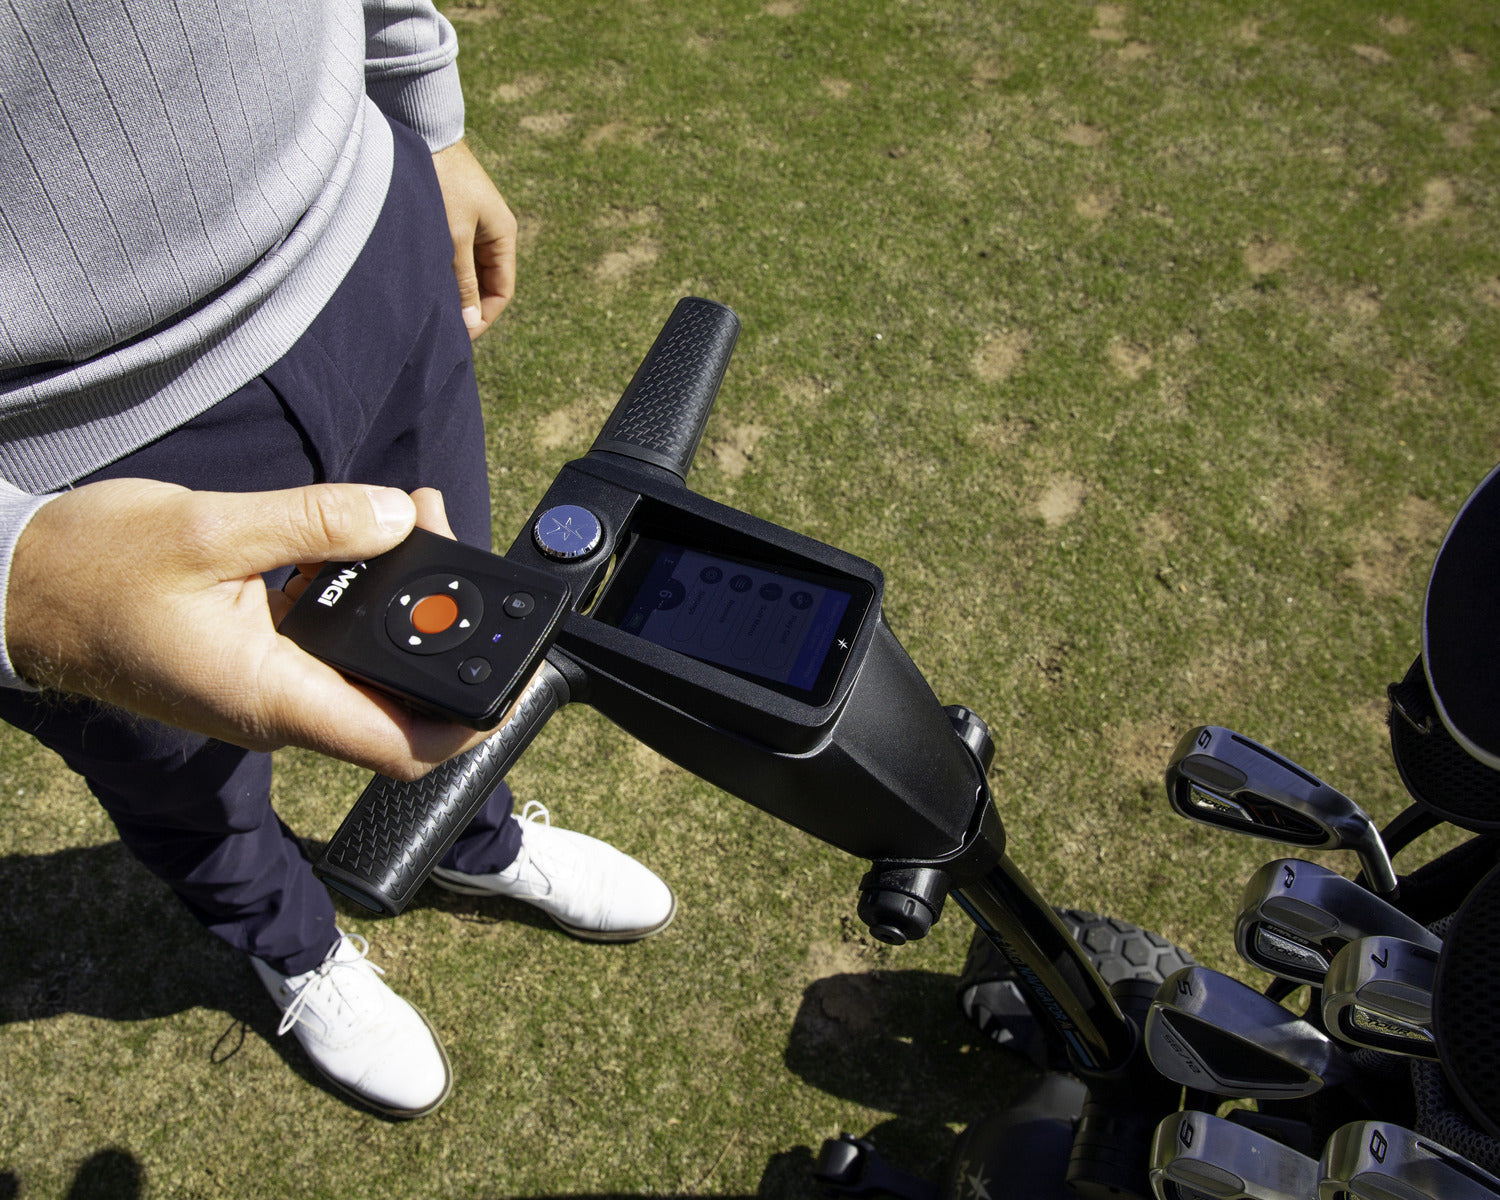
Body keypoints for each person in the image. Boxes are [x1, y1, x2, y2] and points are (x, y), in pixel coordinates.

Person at [0, 0, 674, 1119]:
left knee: (466, 648)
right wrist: (11, 570)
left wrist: (420, 101)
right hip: (75, 450)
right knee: (183, 773)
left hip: (367, 236)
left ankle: (471, 832)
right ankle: (291, 941)